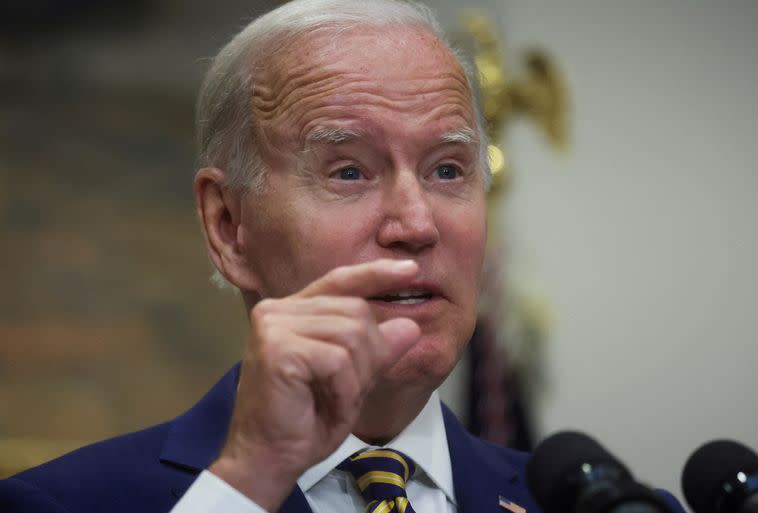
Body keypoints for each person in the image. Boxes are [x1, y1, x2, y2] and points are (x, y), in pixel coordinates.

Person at [0, 2, 685, 513]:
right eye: (349, 172)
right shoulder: (55, 503)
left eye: (448, 170)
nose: (416, 225)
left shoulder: (604, 507)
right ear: (229, 224)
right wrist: (246, 483)